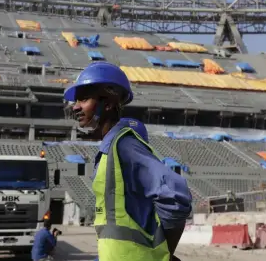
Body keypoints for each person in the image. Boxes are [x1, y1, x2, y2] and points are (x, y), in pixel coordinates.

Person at [64, 62, 192, 261]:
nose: (76, 106)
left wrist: (165, 252)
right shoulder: (111, 148)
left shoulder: (124, 145)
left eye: (84, 98)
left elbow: (176, 195)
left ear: (107, 103)